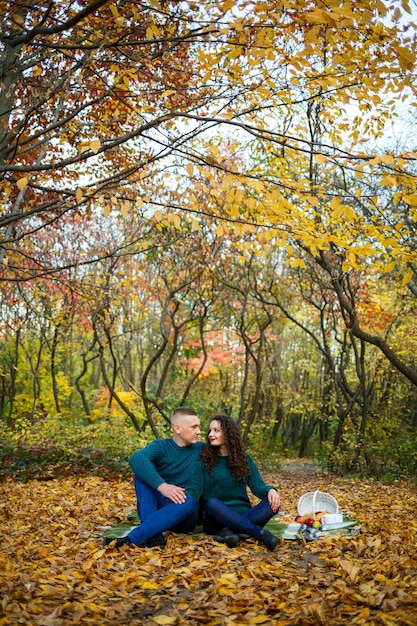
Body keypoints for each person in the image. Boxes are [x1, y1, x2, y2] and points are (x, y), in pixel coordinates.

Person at [103, 406, 203, 549]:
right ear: (177, 428)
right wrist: (162, 486)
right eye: (194, 427)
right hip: (161, 504)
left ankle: (131, 539)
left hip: (184, 512)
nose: (199, 431)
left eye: (198, 426)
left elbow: (228, 449)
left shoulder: (203, 449)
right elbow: (136, 458)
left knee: (189, 500)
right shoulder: (161, 446)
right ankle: (154, 535)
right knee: (142, 474)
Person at [185, 414, 281, 551]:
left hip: (243, 513)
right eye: (210, 431)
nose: (211, 434)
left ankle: (228, 533)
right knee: (212, 503)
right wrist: (179, 503)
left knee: (273, 504)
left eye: (216, 430)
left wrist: (271, 490)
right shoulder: (204, 462)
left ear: (228, 433)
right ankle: (258, 533)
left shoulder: (244, 459)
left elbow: (258, 486)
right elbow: (193, 491)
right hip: (215, 518)